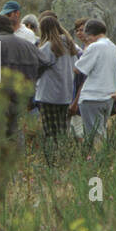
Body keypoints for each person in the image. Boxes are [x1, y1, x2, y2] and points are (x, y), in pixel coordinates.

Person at [0, 14, 54, 139]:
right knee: (17, 129)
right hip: (22, 95)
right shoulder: (26, 45)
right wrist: (32, 79)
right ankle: (18, 157)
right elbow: (45, 63)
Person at [71, 19, 116, 145]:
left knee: (94, 136)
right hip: (108, 96)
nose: (87, 39)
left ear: (90, 34)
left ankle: (98, 162)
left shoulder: (95, 46)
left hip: (92, 97)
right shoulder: (113, 47)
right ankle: (104, 159)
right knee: (102, 133)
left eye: (87, 36)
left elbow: (78, 69)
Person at [35, 14, 77, 145]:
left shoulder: (48, 47)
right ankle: (64, 158)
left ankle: (53, 161)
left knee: (50, 132)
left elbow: (35, 67)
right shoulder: (70, 46)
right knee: (62, 131)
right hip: (66, 95)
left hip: (48, 96)